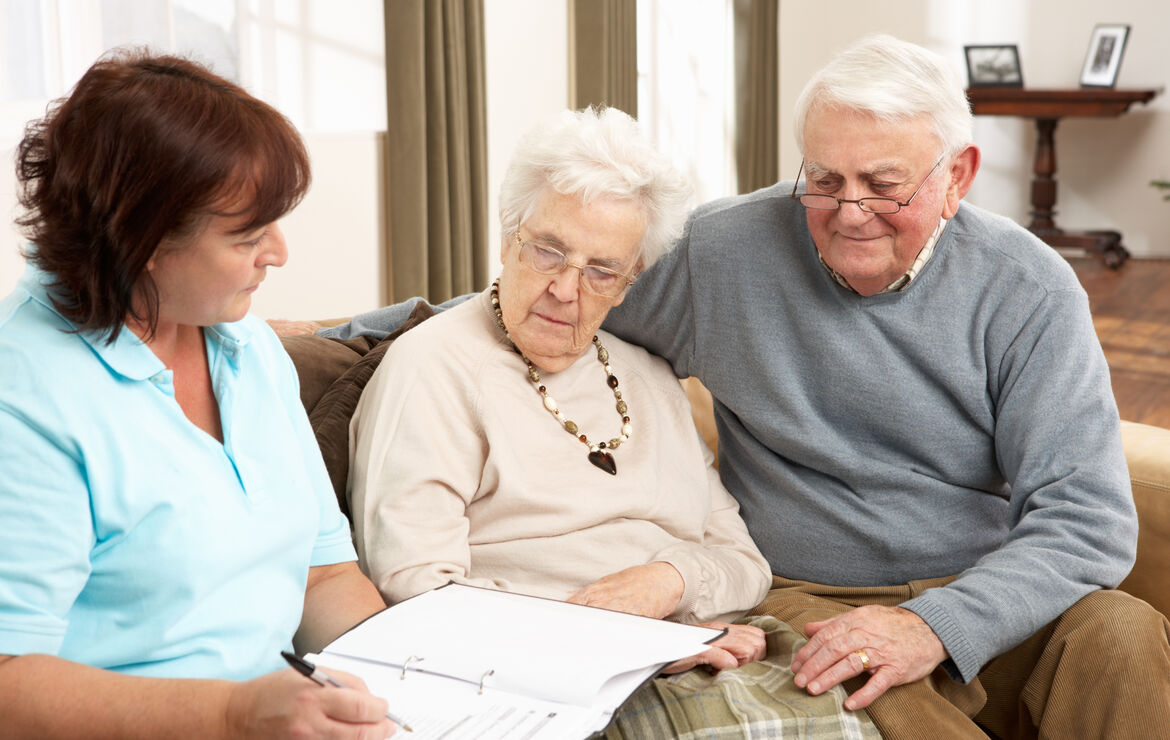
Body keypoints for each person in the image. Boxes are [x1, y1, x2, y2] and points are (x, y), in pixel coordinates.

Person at [322, 36, 1170, 738]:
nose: (849, 212)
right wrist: (339, 332)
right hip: (805, 595)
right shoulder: (728, 251)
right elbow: (564, 287)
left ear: (958, 176)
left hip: (980, 585)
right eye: (824, 180)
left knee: (1126, 637)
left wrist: (935, 626)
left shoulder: (1028, 288)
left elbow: (1088, 521)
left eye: (885, 185)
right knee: (856, 675)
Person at [348, 107, 880, 739]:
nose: (566, 290)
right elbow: (416, 591)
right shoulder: (432, 368)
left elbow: (743, 563)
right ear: (505, 239)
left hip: (691, 643)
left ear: (631, 284)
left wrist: (668, 582)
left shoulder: (649, 376)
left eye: (602, 270)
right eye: (548, 251)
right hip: (537, 675)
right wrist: (616, 642)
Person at [0, 52, 398, 738]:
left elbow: (322, 576)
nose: (278, 252)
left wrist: (417, 679)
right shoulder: (27, 396)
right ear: (144, 241)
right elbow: (8, 684)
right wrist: (232, 715)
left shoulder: (245, 347)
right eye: (247, 235)